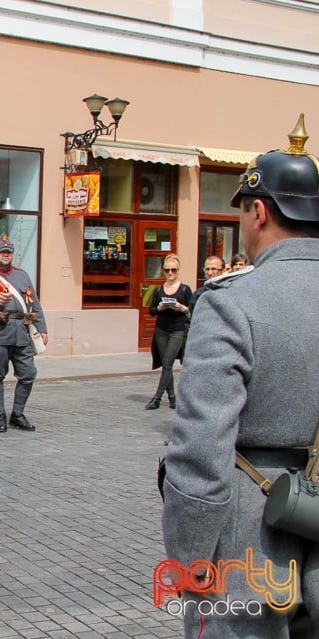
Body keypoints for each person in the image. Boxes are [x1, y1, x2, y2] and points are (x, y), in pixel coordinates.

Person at [162, 115, 319, 635]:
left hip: (251, 538)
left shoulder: (235, 302)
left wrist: (189, 559)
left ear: (259, 211)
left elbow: (202, 449)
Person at [0, 235, 48, 433]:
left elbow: (34, 303)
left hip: (21, 333)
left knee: (28, 374)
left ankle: (17, 414)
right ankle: (0, 416)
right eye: (2, 252)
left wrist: (42, 328)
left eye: (8, 252)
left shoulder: (22, 276)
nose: (6, 255)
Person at [146, 254, 192, 410]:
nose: (170, 273)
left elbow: (191, 311)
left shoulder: (185, 289)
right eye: (167, 270)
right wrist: (160, 307)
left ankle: (157, 398)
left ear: (178, 270)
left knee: (167, 363)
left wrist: (181, 307)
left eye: (173, 270)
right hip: (161, 329)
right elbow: (151, 310)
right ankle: (172, 398)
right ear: (163, 271)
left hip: (177, 330)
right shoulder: (158, 290)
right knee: (166, 365)